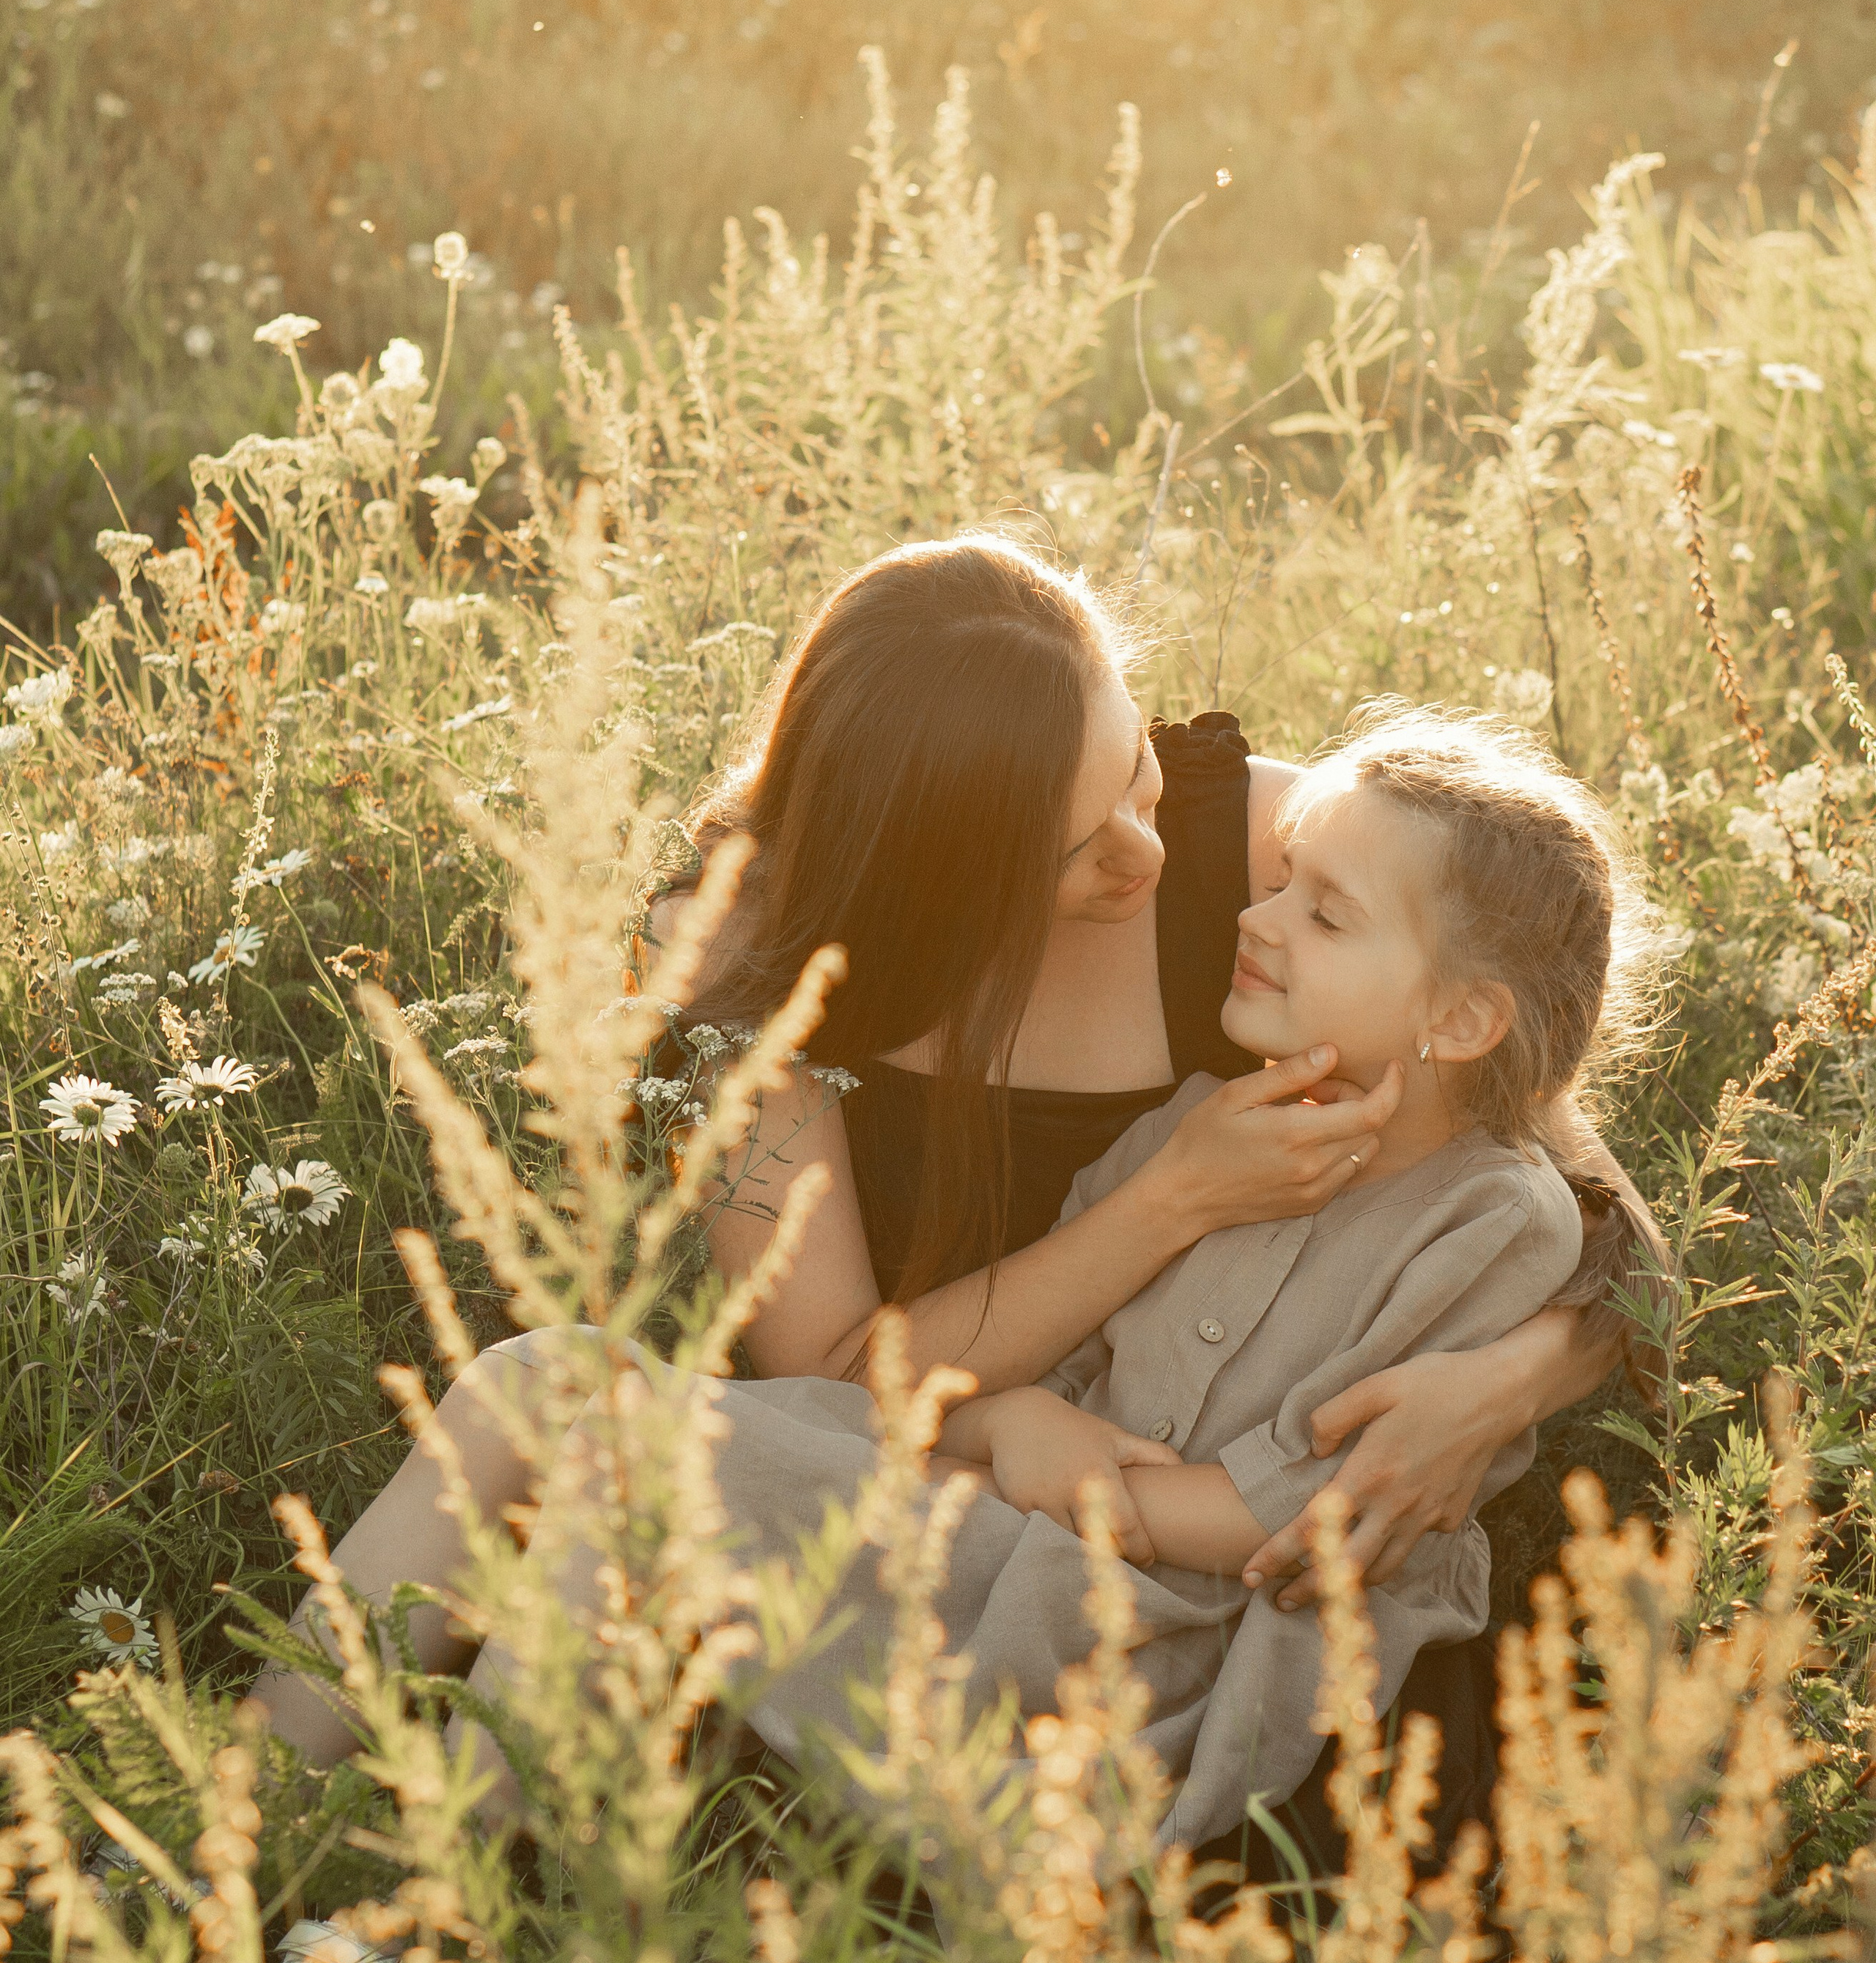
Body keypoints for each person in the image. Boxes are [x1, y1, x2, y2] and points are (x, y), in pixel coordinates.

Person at [252, 539, 1657, 1838]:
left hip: (1122, 1535)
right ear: (937, 878)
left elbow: (1586, 1209)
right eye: (1077, 843)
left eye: (1136, 773)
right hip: (952, 1448)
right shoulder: (755, 967)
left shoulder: (1284, 855)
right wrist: (1171, 1202)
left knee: (618, 1472)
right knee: (537, 1396)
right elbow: (839, 1368)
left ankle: (409, 1911)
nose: (1154, 858)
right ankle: (243, 1832)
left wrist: (1503, 1384)